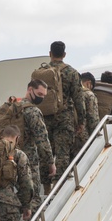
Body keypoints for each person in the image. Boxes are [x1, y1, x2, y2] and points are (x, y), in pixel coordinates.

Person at [5, 79, 56, 212]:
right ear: (30, 90)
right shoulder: (33, 111)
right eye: (39, 94)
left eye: (44, 96)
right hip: (29, 160)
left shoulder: (12, 108)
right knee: (33, 197)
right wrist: (51, 163)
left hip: (9, 157)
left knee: (16, 194)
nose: (41, 98)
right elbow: (42, 139)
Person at [44, 41, 87, 175]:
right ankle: (59, 185)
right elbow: (79, 99)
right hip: (64, 118)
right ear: (64, 54)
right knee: (62, 154)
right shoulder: (71, 73)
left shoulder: (42, 72)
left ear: (50, 54)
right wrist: (81, 121)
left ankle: (45, 186)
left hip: (45, 117)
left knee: (46, 152)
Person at [78, 72, 100, 143]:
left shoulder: (72, 92)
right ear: (88, 83)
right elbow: (93, 118)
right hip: (82, 136)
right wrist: (96, 135)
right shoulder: (89, 94)